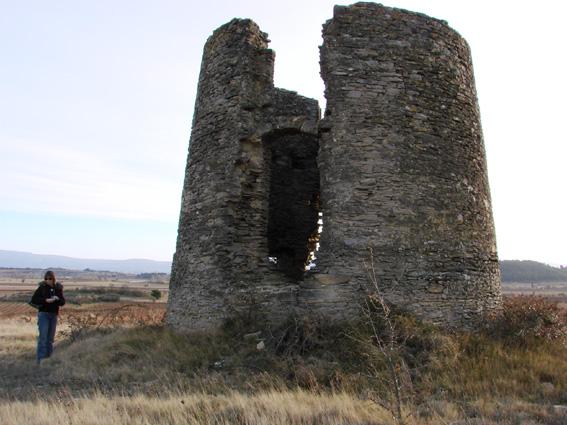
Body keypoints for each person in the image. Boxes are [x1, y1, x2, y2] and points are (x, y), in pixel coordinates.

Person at [31, 270, 65, 364]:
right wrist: (46, 300)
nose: (47, 280)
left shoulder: (58, 288)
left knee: (50, 339)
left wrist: (57, 299)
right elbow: (34, 300)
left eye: (49, 278)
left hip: (53, 315)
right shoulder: (42, 288)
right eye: (46, 278)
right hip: (43, 315)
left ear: (53, 278)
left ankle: (48, 360)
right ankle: (40, 361)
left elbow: (62, 302)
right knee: (43, 338)